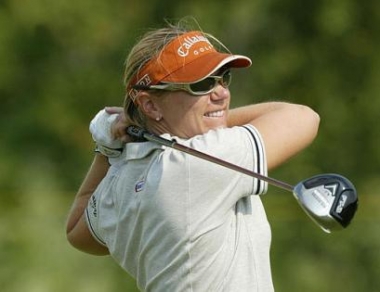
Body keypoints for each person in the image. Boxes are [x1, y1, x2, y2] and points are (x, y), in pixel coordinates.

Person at [66, 20, 320, 291]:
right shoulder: (195, 162)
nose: (221, 93)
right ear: (150, 105)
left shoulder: (122, 178)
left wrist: (106, 149)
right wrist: (215, 119)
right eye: (201, 85)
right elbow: (304, 117)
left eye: (223, 79)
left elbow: (76, 232)